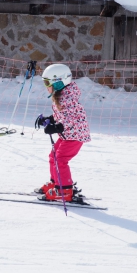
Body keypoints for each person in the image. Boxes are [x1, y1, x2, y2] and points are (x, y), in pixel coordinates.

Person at [35, 64, 91, 203]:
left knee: (60, 159)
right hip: (68, 134)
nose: (45, 85)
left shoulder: (68, 99)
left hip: (75, 136)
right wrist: (50, 119)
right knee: (53, 156)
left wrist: (57, 127)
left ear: (59, 82)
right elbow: (62, 114)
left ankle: (65, 190)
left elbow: (70, 118)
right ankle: (56, 182)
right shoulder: (61, 95)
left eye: (47, 82)